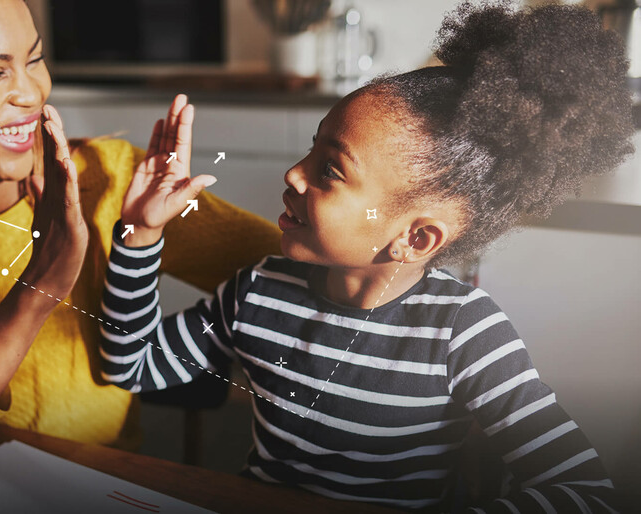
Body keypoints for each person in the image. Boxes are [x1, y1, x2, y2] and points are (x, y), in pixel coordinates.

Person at [99, 2, 632, 511]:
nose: (294, 172)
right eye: (312, 148)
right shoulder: (258, 289)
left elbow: (583, 491)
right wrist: (142, 234)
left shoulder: (463, 331)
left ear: (415, 239)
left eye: (330, 169)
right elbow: (130, 367)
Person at [0, 0, 280, 478]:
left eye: (35, 60)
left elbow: (300, 274)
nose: (31, 91)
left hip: (103, 479)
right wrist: (37, 290)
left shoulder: (113, 178)